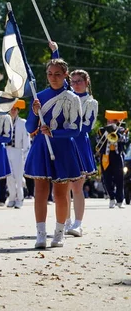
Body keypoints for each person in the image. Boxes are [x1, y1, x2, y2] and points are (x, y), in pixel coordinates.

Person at [24, 57, 82, 249]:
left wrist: (55, 132)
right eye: (50, 74)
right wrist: (34, 112)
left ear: (66, 75)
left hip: (63, 147)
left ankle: (59, 233)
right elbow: (30, 127)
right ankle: (40, 234)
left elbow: (76, 129)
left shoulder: (72, 98)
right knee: (39, 190)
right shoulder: (39, 96)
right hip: (42, 145)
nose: (53, 78)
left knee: (60, 193)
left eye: (58, 74)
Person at [64, 70, 98, 236]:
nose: (76, 84)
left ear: (86, 82)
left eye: (79, 81)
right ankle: (65, 221)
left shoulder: (91, 102)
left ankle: (78, 224)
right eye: (73, 81)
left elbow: (88, 126)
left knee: (77, 187)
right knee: (63, 187)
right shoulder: (65, 98)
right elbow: (60, 74)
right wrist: (54, 52)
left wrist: (67, 128)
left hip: (79, 143)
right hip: (63, 143)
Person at [97, 110, 128, 209]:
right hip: (105, 157)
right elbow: (98, 142)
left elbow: (125, 140)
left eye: (112, 121)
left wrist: (117, 135)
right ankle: (111, 198)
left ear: (116, 121)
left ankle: (120, 200)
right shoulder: (101, 130)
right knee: (107, 178)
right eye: (108, 121)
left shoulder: (122, 130)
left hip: (117, 156)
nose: (109, 123)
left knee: (119, 179)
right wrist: (106, 134)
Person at [5, 100, 31, 209]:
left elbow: (26, 140)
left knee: (19, 177)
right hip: (7, 150)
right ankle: (11, 197)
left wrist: (25, 154)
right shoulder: (5, 121)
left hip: (18, 151)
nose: (13, 111)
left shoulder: (23, 123)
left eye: (15, 109)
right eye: (11, 109)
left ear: (18, 110)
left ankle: (20, 198)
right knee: (9, 176)